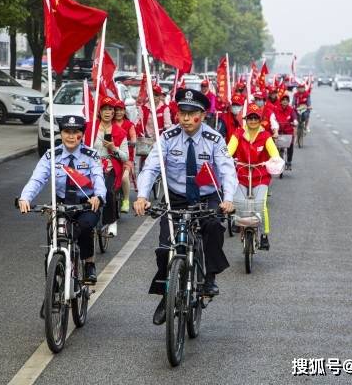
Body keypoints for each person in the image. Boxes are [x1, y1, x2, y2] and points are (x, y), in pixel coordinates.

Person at [134, 89, 237, 326]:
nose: (187, 119)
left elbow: (226, 170)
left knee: (212, 226)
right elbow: (151, 168)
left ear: (203, 114)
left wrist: (228, 199)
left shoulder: (215, 139)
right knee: (164, 248)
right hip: (176, 197)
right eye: (182, 113)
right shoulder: (168, 137)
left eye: (193, 114)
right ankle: (166, 296)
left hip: (207, 195)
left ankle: (209, 277)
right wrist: (141, 196)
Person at [18, 115, 106, 283]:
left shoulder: (91, 155)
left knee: (86, 227)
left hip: (85, 205)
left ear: (82, 134)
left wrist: (98, 197)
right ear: (61, 133)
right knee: (54, 236)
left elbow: (98, 178)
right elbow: (38, 179)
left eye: (76, 132)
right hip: (61, 204)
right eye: (67, 132)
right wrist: (25, 198)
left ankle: (89, 264)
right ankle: (53, 284)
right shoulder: (52, 155)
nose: (71, 136)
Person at [227, 103, 281, 251]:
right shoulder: (238, 134)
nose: (252, 121)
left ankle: (264, 235)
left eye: (255, 118)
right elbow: (229, 150)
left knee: (260, 205)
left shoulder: (265, 136)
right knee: (238, 202)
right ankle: (238, 222)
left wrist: (275, 159)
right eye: (250, 118)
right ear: (245, 119)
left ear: (260, 120)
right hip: (241, 175)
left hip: (261, 176)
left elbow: (274, 153)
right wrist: (226, 157)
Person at [85, 96, 129, 237]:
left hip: (110, 167)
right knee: (85, 191)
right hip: (91, 165)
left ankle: (111, 221)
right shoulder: (91, 128)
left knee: (108, 191)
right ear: (100, 111)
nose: (108, 112)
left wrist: (114, 148)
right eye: (104, 109)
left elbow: (125, 157)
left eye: (110, 109)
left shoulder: (120, 132)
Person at [113, 99, 136, 213]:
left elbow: (134, 139)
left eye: (120, 110)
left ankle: (126, 200)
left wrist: (131, 142)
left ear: (124, 111)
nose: (118, 113)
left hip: (126, 158)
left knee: (124, 177)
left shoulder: (129, 125)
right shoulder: (109, 124)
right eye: (116, 110)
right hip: (111, 157)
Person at [274, 94, 297, 169]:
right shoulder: (276, 109)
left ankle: (289, 161)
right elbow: (273, 118)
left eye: (286, 100)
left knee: (290, 145)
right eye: (283, 100)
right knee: (275, 146)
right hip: (279, 131)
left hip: (288, 131)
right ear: (280, 101)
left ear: (288, 102)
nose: (285, 102)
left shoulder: (290, 109)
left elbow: (294, 117)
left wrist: (295, 121)